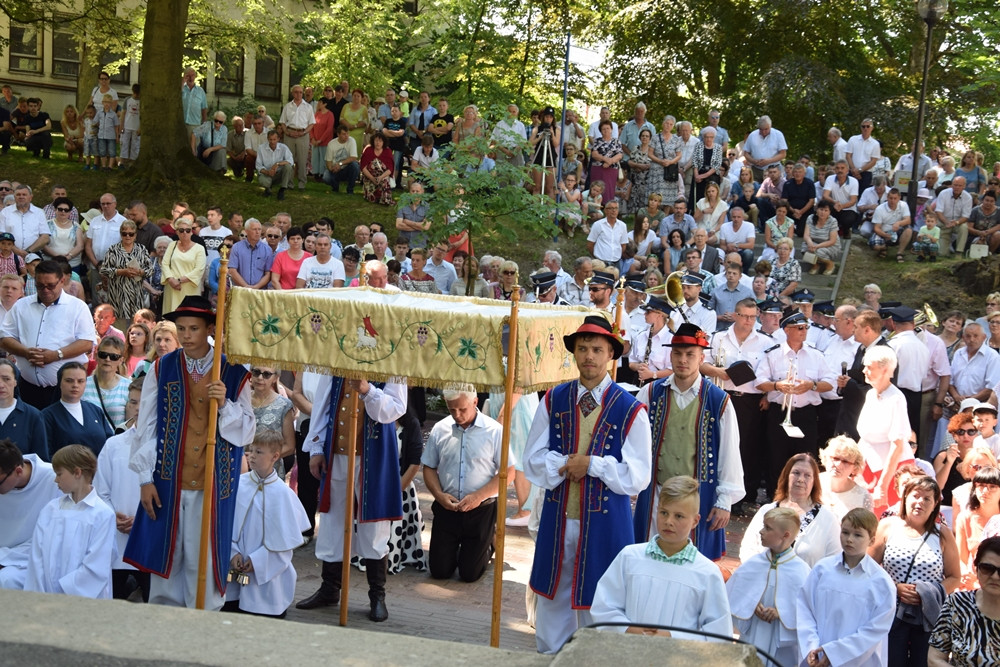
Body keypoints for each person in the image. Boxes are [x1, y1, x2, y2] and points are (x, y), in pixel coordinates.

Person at [523, 315, 651, 653]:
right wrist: (567, 464)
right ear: (574, 353)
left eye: (597, 349)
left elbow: (639, 475)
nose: (589, 356)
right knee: (555, 591)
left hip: (607, 520)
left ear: (611, 354)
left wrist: (593, 465)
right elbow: (532, 459)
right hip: (559, 514)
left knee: (603, 594)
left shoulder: (631, 409)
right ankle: (550, 654)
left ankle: (597, 658)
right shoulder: (554, 399)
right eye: (582, 348)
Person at [123, 295, 255, 610]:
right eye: (181, 328)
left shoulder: (233, 371)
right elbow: (148, 425)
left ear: (210, 328)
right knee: (168, 553)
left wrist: (225, 404)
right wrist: (145, 478)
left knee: (204, 555)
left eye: (193, 328)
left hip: (213, 481)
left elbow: (247, 430)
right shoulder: (162, 367)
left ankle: (204, 622)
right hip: (169, 478)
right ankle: (164, 624)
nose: (185, 335)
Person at [296, 373, 407, 622]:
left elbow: (396, 409)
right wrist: (316, 446)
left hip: (374, 454)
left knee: (374, 523)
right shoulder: (338, 358)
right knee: (333, 520)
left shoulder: (393, 358)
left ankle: (377, 595)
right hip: (336, 452)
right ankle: (329, 589)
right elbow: (324, 405)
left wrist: (368, 391)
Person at [633, 322, 742, 560]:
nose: (683, 360)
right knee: (650, 556)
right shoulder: (651, 393)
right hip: (656, 494)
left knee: (692, 563)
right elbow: (634, 444)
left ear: (701, 357)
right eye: (678, 353)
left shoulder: (718, 400)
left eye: (690, 355)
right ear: (670, 355)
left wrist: (724, 500)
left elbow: (729, 453)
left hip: (698, 498)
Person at [590, 476, 732, 639]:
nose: (668, 521)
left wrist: (672, 637)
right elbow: (604, 606)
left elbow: (719, 633)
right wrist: (626, 629)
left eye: (679, 516)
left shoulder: (706, 573)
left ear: (695, 521)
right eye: (664, 513)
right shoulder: (630, 557)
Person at [870, 476, 961, 667]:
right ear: (905, 498)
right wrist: (895, 588)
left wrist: (928, 592)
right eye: (915, 496)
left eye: (927, 498)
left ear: (936, 503)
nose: (920, 502)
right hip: (891, 612)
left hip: (928, 615)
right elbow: (869, 568)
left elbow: (954, 577)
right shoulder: (888, 526)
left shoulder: (942, 533)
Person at [421, 386, 509, 583]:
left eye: (462, 409)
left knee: (469, 574)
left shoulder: (494, 431)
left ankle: (488, 543)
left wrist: (478, 496)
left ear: (475, 402)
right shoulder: (440, 428)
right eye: (452, 410)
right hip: (447, 508)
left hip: (480, 510)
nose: (457, 415)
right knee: (439, 571)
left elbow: (508, 472)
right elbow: (428, 467)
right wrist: (439, 495)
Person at [796, 508, 897, 667]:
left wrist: (834, 653)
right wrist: (812, 647)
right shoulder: (822, 570)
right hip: (815, 657)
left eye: (857, 535)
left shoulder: (881, 583)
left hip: (857, 661)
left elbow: (875, 630)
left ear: (871, 540)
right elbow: (805, 609)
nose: (849, 539)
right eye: (845, 532)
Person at [226, 430, 310, 617]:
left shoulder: (283, 494)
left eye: (259, 452)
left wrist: (258, 561)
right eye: (251, 451)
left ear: (275, 456)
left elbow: (283, 542)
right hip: (234, 565)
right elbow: (226, 526)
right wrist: (232, 552)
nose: (252, 456)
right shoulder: (238, 485)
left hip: (266, 575)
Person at [755, 309, 835, 491]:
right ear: (786, 330)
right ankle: (775, 496)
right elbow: (759, 382)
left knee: (806, 457)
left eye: (805, 327)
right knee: (776, 457)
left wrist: (812, 385)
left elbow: (830, 383)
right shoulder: (773, 354)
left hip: (806, 414)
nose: (803, 331)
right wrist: (777, 386)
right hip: (779, 412)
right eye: (799, 328)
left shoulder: (816, 355)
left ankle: (804, 494)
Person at [0, 260, 95, 409]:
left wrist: (57, 355)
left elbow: (87, 342)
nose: (45, 290)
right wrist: (25, 352)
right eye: (40, 286)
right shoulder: (21, 305)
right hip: (27, 388)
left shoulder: (77, 307)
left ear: (62, 281)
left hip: (63, 391)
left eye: (50, 285)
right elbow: (4, 338)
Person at [24, 444, 116, 598]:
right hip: (45, 594)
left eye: (59, 474)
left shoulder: (102, 514)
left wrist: (63, 591)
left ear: (77, 472)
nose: (55, 479)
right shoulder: (51, 510)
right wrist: (40, 591)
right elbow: (37, 557)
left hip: (83, 599)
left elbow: (97, 564)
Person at [726, 507, 811, 665]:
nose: (761, 531)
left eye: (768, 528)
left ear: (785, 535)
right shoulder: (754, 563)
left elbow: (809, 609)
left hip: (781, 642)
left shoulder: (801, 571)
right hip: (753, 635)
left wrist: (781, 613)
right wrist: (751, 604)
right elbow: (734, 593)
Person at [95, 376, 150, 600]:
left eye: (143, 402)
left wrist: (143, 521)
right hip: (116, 538)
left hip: (148, 535)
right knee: (113, 600)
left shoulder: (166, 445)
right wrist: (112, 516)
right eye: (133, 402)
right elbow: (101, 489)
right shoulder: (113, 444)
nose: (137, 408)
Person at [741, 453, 841, 567]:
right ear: (786, 476)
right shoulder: (766, 511)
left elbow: (834, 561)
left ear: (814, 481)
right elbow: (748, 548)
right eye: (796, 473)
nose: (801, 479)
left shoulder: (828, 519)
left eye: (807, 475)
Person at [857, 346, 914, 517]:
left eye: (869, 367)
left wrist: (882, 485)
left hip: (891, 472)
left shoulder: (896, 399)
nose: (864, 370)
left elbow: (897, 445)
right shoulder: (870, 394)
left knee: (886, 519)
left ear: (885, 370)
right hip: (868, 466)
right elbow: (865, 436)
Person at [928, 536, 1000, 665]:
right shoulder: (956, 603)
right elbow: (934, 658)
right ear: (976, 569)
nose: (995, 576)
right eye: (987, 568)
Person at [42, 361, 113, 458]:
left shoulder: (95, 410)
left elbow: (109, 444)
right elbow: (46, 453)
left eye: (80, 381)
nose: (75, 385)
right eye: (69, 380)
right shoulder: (47, 416)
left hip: (99, 471)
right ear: (60, 383)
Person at [954, 466, 1000, 591]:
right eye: (981, 486)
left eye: (992, 487)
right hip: (972, 583)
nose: (985, 491)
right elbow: (960, 558)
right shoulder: (965, 518)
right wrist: (966, 576)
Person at [160, 213, 206, 314]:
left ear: (191, 232)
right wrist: (171, 280)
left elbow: (199, 269)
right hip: (172, 288)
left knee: (189, 318)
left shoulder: (199, 248)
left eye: (188, 230)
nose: (184, 233)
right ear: (177, 232)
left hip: (190, 289)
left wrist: (179, 280)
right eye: (181, 230)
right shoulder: (172, 245)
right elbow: (165, 264)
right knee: (170, 319)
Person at [81, 337, 131, 430]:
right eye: (103, 354)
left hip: (115, 442)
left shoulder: (128, 387)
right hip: (88, 442)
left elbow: (130, 426)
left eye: (113, 357)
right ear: (96, 356)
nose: (107, 359)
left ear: (121, 360)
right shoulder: (83, 384)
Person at [820, 435, 875, 519]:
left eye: (845, 461)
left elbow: (867, 529)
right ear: (826, 458)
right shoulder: (812, 482)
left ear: (855, 467)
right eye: (835, 458)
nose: (838, 465)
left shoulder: (863, 497)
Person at [278, 85, 316, 190]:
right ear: (292, 93)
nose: (298, 94)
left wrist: (303, 132)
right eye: (296, 92)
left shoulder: (308, 107)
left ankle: (301, 184)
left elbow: (312, 123)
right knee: (289, 160)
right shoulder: (287, 106)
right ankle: (289, 183)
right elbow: (282, 122)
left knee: (302, 160)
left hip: (303, 135)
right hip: (289, 134)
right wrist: (287, 132)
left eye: (300, 92)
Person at [256, 130, 294, 200]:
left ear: (278, 139)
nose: (272, 142)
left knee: (288, 167)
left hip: (279, 174)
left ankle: (282, 189)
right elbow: (258, 166)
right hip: (266, 173)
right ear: (267, 139)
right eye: (270, 139)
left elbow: (290, 161)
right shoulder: (261, 148)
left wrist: (278, 164)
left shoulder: (284, 147)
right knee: (263, 181)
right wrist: (267, 172)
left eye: (274, 139)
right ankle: (268, 188)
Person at [360, 133, 396, 206]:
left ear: (383, 142)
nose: (378, 143)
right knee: (371, 198)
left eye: (380, 141)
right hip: (369, 178)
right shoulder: (368, 150)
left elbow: (390, 169)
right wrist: (372, 178)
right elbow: (363, 167)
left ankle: (385, 200)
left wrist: (380, 178)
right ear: (373, 141)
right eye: (376, 140)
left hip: (382, 177)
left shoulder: (388, 152)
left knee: (384, 183)